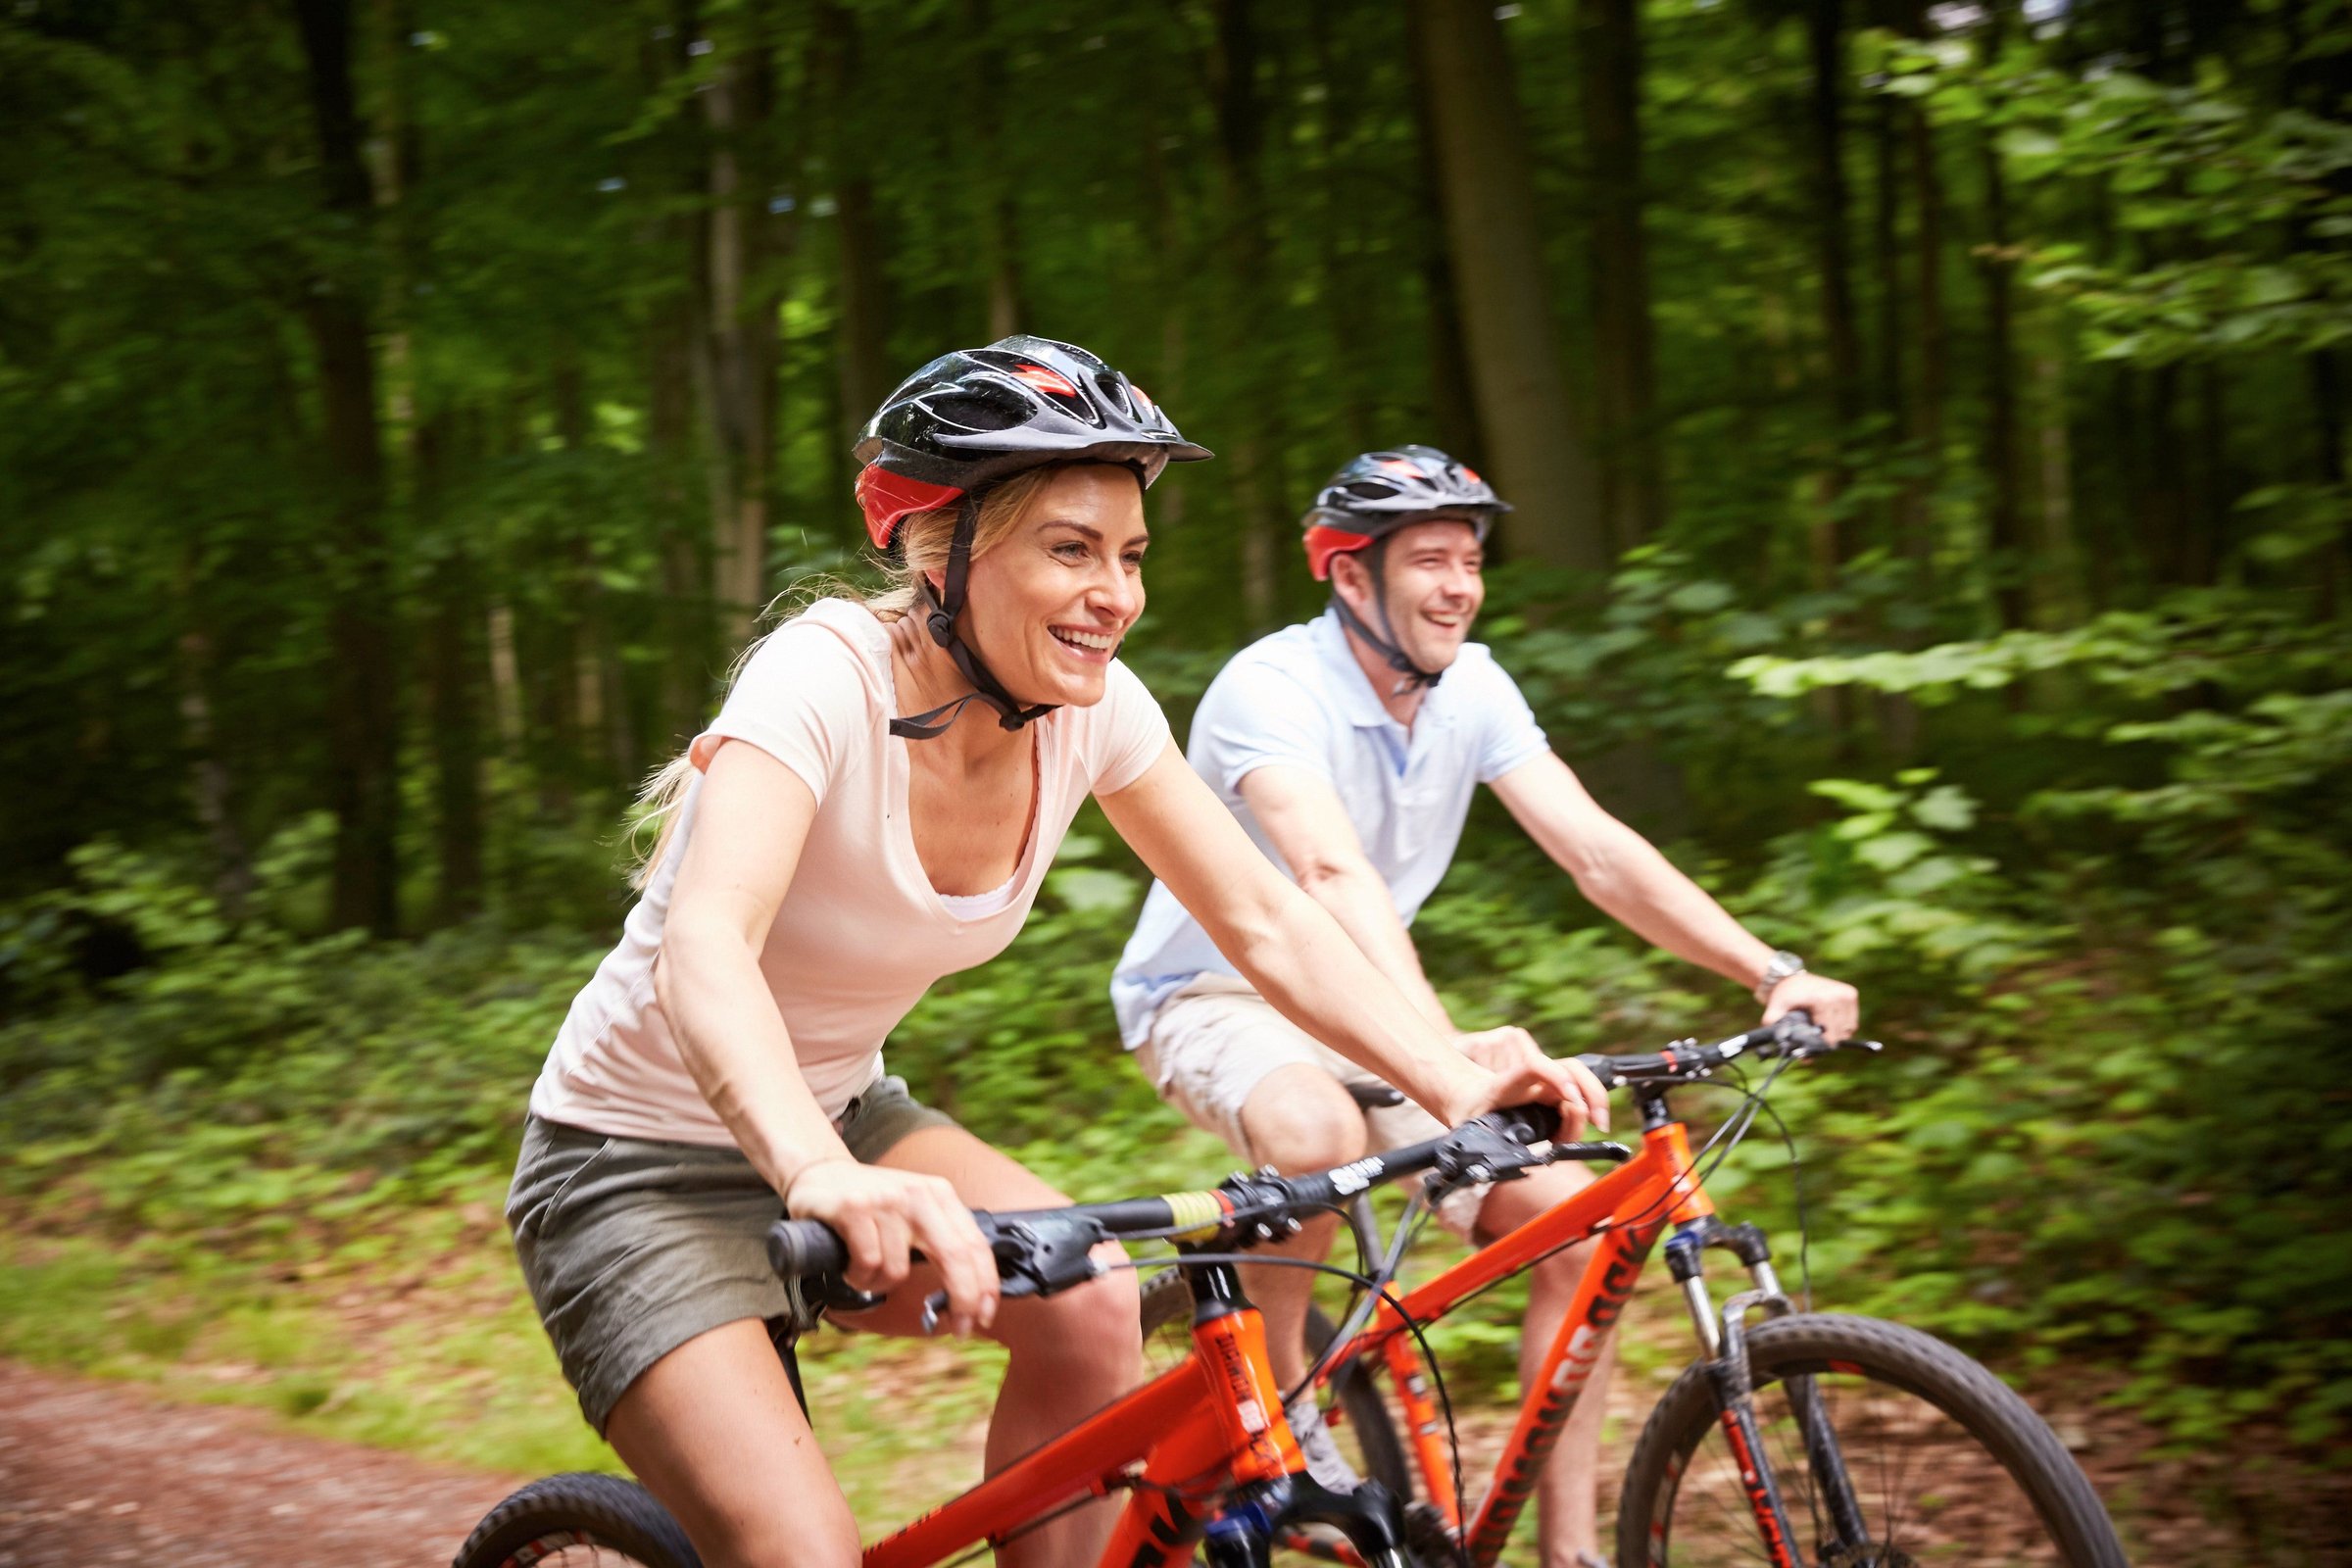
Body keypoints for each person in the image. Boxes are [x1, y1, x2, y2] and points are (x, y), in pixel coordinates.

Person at [508, 349, 1609, 1568]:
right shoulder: (821, 676)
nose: (1117, 594)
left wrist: (1449, 1079)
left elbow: (1265, 916)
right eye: (1071, 550)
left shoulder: (1093, 708)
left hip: (840, 1118)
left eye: (1130, 555)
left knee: (1091, 1304)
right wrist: (816, 1171)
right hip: (631, 1168)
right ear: (944, 552)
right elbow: (706, 943)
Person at [1109, 445, 1861, 1568]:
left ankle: (1570, 1552)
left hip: (1364, 996)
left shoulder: (1475, 685)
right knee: (1313, 1127)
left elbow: (1597, 850)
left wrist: (1769, 969)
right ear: (1350, 577)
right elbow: (1327, 877)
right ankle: (1275, 1422)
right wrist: (1443, 1060)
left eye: (1470, 559)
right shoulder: (1271, 687)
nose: (1459, 583)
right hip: (1218, 987)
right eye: (1428, 560)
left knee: (1583, 1222)